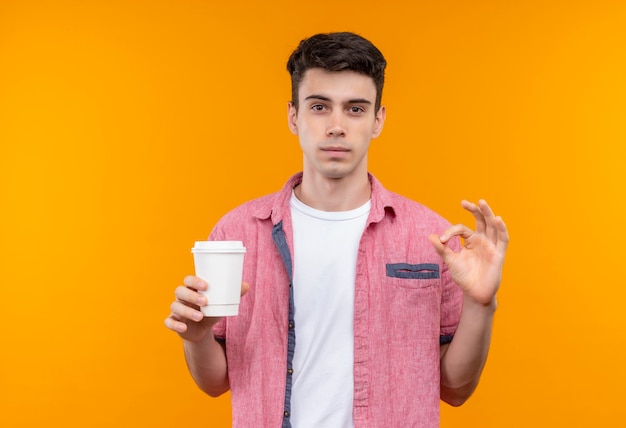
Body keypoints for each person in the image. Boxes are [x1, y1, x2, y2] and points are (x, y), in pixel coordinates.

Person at [165, 31, 509, 428]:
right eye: (319, 107)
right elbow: (214, 382)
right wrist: (197, 337)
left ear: (378, 120)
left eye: (356, 109)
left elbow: (456, 389)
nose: (336, 126)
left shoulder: (432, 238)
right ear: (294, 116)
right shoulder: (237, 233)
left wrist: (481, 305)